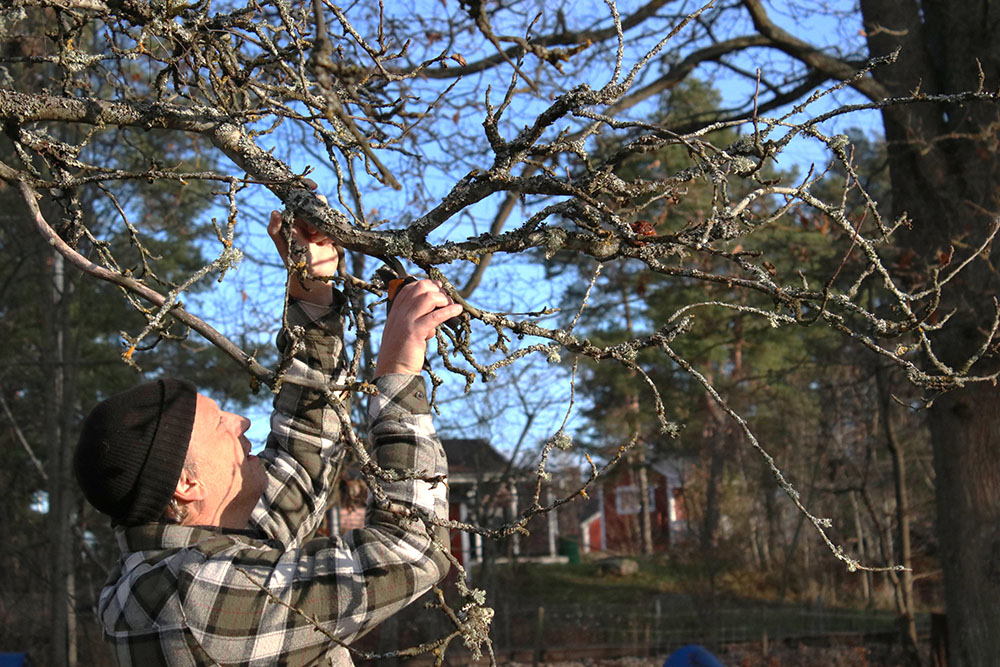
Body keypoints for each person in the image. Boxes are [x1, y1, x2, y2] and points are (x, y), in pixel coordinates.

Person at [73, 202, 463, 666]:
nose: (241, 423)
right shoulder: (189, 601)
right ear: (186, 483)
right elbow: (411, 551)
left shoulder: (191, 558)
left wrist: (311, 293)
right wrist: (398, 375)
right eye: (219, 424)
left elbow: (303, 456)